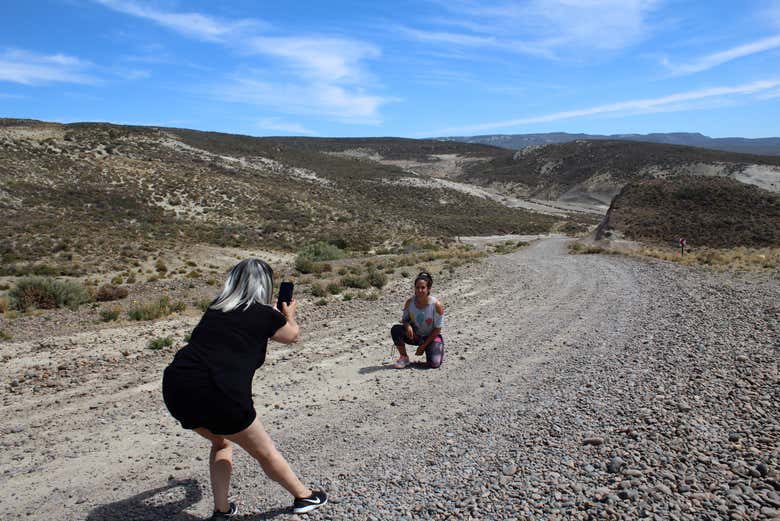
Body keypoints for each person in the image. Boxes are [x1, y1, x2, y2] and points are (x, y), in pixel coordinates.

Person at [162, 259, 327, 519]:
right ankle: (304, 496)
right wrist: (288, 315)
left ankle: (222, 510)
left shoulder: (217, 307)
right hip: (222, 395)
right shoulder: (265, 315)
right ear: (265, 285)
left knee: (221, 443)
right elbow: (292, 335)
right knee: (264, 452)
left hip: (178, 387)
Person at [390, 271, 445, 369]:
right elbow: (404, 319)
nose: (420, 290)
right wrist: (407, 326)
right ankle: (404, 357)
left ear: (428, 289)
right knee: (396, 329)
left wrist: (423, 346)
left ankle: (431, 349)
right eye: (417, 287)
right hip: (416, 336)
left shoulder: (436, 305)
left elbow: (437, 329)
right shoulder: (409, 302)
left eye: (423, 287)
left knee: (434, 364)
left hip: (431, 337)